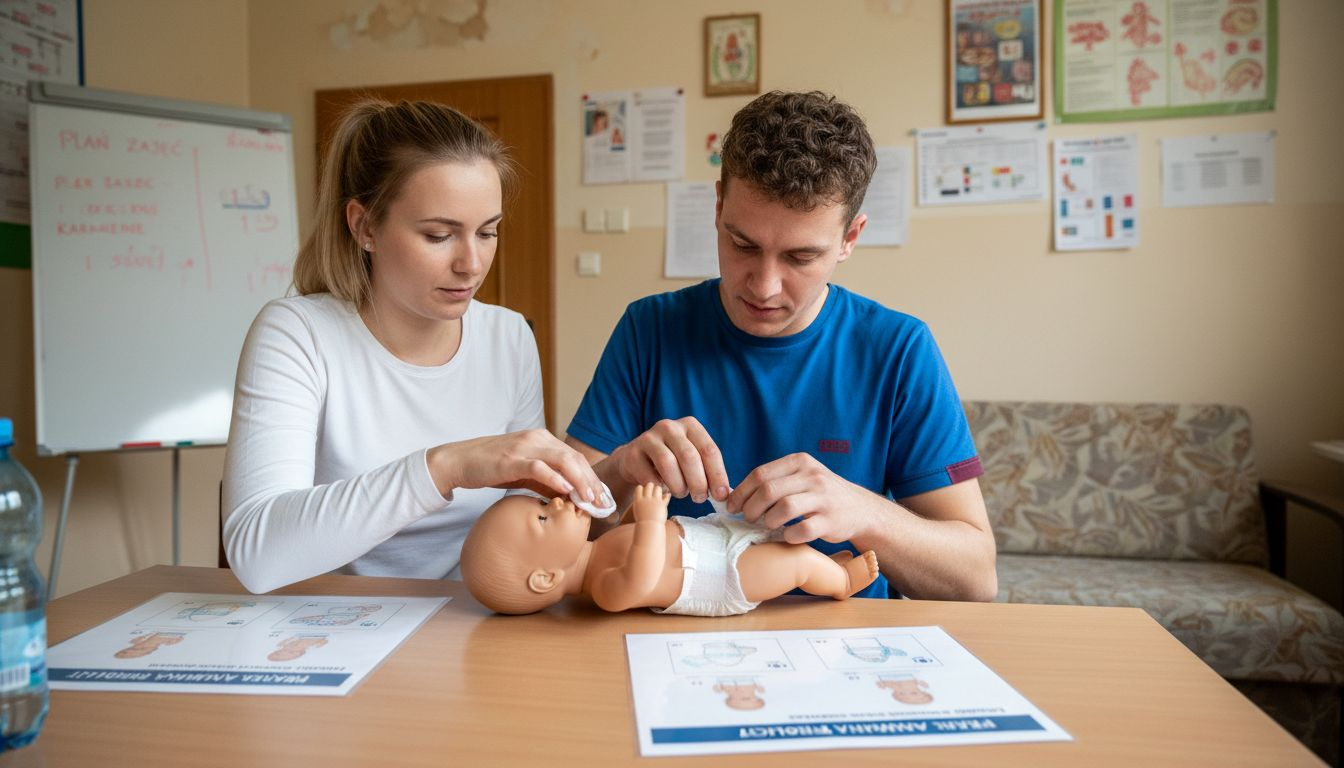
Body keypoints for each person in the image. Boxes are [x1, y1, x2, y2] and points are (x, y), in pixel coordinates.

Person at [565, 91, 996, 602]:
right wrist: (617, 473)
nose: (764, 286)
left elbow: (975, 582)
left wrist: (863, 511)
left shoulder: (898, 349)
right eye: (743, 245)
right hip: (672, 645)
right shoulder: (649, 329)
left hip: (845, 649)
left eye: (800, 257)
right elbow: (555, 541)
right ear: (719, 204)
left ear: (850, 238)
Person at [222, 99, 604, 594]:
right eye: (439, 235)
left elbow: (529, 520)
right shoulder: (297, 334)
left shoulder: (509, 338)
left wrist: (610, 481)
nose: (472, 264)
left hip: (474, 621)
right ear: (364, 227)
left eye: (488, 232)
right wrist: (446, 467)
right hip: (331, 628)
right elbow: (258, 554)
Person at [460, 482, 879, 615]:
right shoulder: (604, 593)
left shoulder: (601, 547)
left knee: (782, 544)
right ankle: (840, 581)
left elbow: (632, 544)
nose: (554, 502)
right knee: (796, 564)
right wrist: (647, 521)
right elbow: (640, 579)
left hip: (711, 542)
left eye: (539, 502)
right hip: (721, 578)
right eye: (542, 518)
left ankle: (831, 567)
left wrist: (637, 516)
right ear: (545, 577)